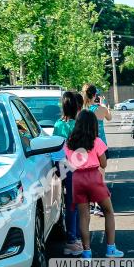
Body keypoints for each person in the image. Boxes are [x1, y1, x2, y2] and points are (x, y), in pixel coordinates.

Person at [65, 110, 124, 260]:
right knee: (108, 211)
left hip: (77, 178)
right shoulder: (96, 141)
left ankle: (87, 252)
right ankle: (111, 249)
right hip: (93, 177)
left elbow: (69, 162)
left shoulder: (69, 142)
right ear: (93, 125)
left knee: (84, 217)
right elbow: (103, 163)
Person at [53, 91, 83, 256]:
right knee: (77, 204)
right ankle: (73, 240)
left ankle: (74, 238)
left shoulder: (58, 124)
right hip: (79, 168)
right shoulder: (79, 124)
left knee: (71, 203)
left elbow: (55, 150)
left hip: (64, 167)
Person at [82, 84, 111, 217]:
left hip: (85, 145)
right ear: (95, 95)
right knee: (100, 174)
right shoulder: (101, 109)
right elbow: (109, 117)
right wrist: (105, 105)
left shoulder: (82, 109)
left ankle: (90, 203)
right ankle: (99, 205)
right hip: (100, 145)